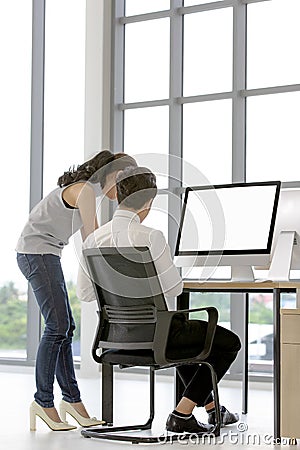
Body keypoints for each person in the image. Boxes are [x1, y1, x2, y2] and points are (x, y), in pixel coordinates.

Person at [77, 165, 241, 434]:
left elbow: (85, 293)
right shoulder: (150, 237)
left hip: (115, 338)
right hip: (157, 337)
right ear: (150, 201)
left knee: (186, 342)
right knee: (228, 342)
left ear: (118, 195)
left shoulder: (92, 240)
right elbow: (174, 289)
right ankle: (182, 413)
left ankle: (213, 409)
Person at [16, 150, 137, 431]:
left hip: (45, 254)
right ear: (115, 175)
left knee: (65, 327)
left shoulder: (86, 190)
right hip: (37, 254)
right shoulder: (85, 191)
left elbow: (91, 238)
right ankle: (43, 402)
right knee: (57, 327)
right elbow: (91, 238)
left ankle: (72, 403)